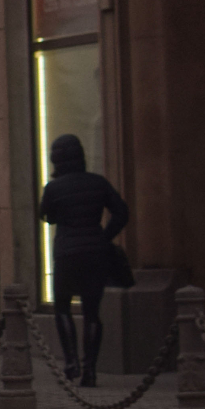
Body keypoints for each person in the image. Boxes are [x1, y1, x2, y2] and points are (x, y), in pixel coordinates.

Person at [39, 133, 129, 386]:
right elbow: (121, 212)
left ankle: (71, 362)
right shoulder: (98, 183)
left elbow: (46, 215)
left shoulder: (53, 188)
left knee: (63, 307)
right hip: (95, 253)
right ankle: (90, 369)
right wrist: (104, 235)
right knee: (92, 312)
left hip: (67, 252)